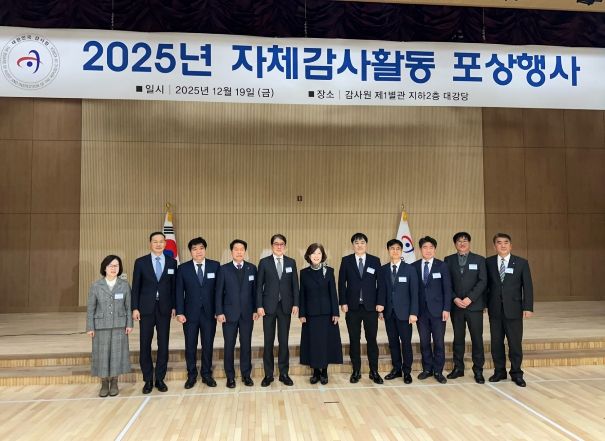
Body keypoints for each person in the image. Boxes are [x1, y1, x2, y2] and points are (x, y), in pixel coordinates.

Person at [131, 232, 177, 394]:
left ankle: (160, 378)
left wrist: (175, 306)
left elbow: (174, 288)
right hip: (146, 309)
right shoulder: (141, 262)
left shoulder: (172, 262)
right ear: (150, 243)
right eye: (155, 241)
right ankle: (148, 379)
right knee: (145, 343)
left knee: (163, 343)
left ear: (165, 243)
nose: (158, 244)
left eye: (161, 242)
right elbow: (135, 287)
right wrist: (135, 308)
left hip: (165, 308)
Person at [486, 233, 534, 387]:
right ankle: (499, 371)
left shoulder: (521, 263)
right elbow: (486, 286)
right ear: (494, 246)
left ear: (511, 245)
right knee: (496, 343)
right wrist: (484, 304)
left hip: (514, 309)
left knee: (515, 343)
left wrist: (528, 307)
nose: (503, 245)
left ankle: (516, 373)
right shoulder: (488, 262)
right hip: (495, 310)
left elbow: (528, 287)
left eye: (506, 242)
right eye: (499, 242)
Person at [175, 237, 220, 389]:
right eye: (194, 249)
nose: (198, 251)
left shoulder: (215, 266)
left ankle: (206, 374)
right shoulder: (183, 268)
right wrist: (180, 312)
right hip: (189, 314)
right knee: (190, 346)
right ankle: (192, 375)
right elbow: (179, 292)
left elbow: (219, 291)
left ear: (205, 249)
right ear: (190, 252)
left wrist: (218, 310)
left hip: (209, 313)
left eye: (201, 248)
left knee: (208, 345)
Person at [338, 233, 383, 384]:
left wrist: (380, 303)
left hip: (371, 308)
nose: (359, 245)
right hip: (352, 308)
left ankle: (374, 371)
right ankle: (356, 370)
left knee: (372, 340)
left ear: (366, 244)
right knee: (354, 340)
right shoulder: (346, 261)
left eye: (362, 242)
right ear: (353, 245)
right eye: (356, 243)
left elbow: (381, 284)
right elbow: (341, 283)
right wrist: (343, 302)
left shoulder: (375, 261)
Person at [256, 234, 300, 387]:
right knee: (268, 341)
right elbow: (258, 286)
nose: (279, 246)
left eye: (282, 244)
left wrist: (296, 304)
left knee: (284, 341)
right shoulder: (264, 262)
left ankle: (284, 373)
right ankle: (268, 374)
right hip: (268, 307)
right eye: (276, 244)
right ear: (272, 246)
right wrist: (259, 305)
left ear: (285, 246)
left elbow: (295, 285)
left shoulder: (291, 262)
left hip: (285, 307)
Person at [86, 255, 133, 397]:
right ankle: (104, 383)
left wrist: (129, 324)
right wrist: (90, 327)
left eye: (116, 266)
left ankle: (114, 382)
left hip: (120, 325)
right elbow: (91, 308)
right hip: (100, 326)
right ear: (104, 268)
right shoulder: (96, 286)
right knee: (102, 354)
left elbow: (128, 307)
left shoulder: (124, 285)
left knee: (117, 354)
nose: (114, 268)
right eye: (111, 266)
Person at [444, 232, 487, 384]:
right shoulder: (448, 260)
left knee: (477, 338)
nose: (462, 243)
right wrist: (454, 298)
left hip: (474, 306)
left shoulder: (479, 260)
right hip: (456, 306)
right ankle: (458, 368)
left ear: (469, 242)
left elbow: (483, 281)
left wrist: (470, 298)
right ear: (455, 244)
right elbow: (446, 283)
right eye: (459, 241)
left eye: (465, 241)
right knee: (458, 338)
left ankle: (478, 370)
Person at [215, 239, 258, 388]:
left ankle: (246, 375)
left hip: (247, 314)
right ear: (231, 252)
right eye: (236, 249)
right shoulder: (223, 269)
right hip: (229, 315)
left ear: (245, 251)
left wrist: (255, 310)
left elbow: (255, 292)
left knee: (246, 345)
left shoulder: (252, 268)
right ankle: (230, 376)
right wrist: (219, 312)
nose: (239, 252)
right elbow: (218, 293)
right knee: (229, 346)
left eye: (241, 249)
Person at [299, 243, 343, 385]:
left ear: (322, 255)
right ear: (309, 256)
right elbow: (302, 294)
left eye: (319, 253)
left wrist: (335, 312)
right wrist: (302, 313)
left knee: (325, 343)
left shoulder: (329, 271)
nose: (316, 256)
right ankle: (315, 372)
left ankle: (324, 371)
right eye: (313, 253)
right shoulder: (303, 273)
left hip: (326, 313)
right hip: (310, 314)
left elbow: (333, 293)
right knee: (313, 343)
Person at [377, 239, 419, 385]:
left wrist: (414, 312)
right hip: (389, 313)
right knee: (393, 343)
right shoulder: (383, 269)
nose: (395, 251)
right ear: (388, 251)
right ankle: (397, 369)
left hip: (405, 314)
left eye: (397, 249)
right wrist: (381, 309)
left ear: (401, 251)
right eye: (392, 248)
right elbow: (381, 290)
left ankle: (407, 371)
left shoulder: (410, 269)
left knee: (406, 343)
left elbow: (414, 293)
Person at [412, 236, 453, 384]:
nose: (428, 250)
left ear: (435, 249)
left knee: (439, 342)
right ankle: (427, 369)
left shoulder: (442, 266)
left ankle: (438, 371)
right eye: (425, 247)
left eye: (431, 247)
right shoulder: (414, 266)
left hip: (438, 311)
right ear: (420, 249)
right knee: (424, 342)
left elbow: (447, 289)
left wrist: (446, 308)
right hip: (421, 312)